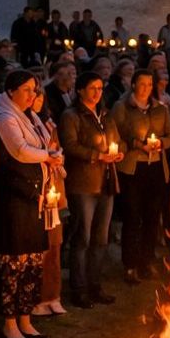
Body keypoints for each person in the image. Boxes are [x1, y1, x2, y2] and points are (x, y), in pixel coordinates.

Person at [0, 71, 63, 338]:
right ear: (11, 92)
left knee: (33, 260)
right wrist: (48, 157)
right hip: (15, 200)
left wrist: (53, 157)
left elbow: (47, 146)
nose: (33, 95)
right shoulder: (4, 120)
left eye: (34, 90)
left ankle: (25, 317)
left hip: (35, 199)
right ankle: (9, 321)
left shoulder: (31, 118)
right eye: (26, 90)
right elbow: (18, 152)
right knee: (15, 261)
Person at [60, 72, 125, 307]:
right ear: (80, 90)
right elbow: (70, 145)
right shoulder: (71, 116)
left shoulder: (105, 115)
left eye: (100, 88)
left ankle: (95, 284)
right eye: (92, 88)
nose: (97, 93)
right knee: (83, 237)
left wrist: (118, 152)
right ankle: (78, 288)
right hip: (83, 184)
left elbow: (118, 140)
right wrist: (97, 155)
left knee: (101, 237)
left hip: (105, 183)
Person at [111, 69, 170, 284]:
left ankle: (146, 261)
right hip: (132, 169)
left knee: (152, 216)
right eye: (142, 84)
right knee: (132, 217)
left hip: (155, 167)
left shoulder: (160, 109)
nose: (146, 88)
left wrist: (160, 144)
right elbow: (118, 134)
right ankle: (130, 264)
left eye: (149, 84)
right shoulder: (122, 107)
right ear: (133, 85)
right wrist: (138, 144)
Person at [29, 83, 68, 317]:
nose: (38, 101)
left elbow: (57, 149)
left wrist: (57, 157)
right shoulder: (25, 127)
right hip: (38, 191)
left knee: (55, 245)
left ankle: (54, 295)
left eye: (40, 98)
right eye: (34, 97)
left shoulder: (49, 125)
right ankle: (38, 297)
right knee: (39, 247)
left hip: (54, 189)